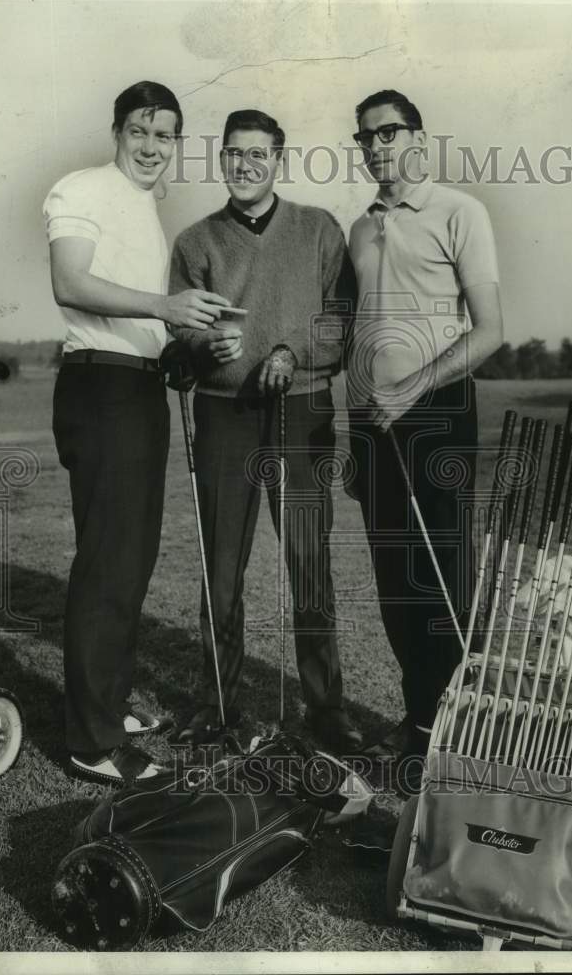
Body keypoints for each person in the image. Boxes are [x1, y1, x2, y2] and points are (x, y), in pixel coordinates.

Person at [43, 81, 231, 784]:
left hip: (135, 388)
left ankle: (108, 706)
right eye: (139, 132)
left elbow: (144, 321)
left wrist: (178, 347)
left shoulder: (142, 208)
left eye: (165, 135)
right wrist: (164, 305)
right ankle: (92, 745)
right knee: (108, 565)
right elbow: (70, 281)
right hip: (100, 389)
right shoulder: (84, 187)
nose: (152, 147)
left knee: (129, 562)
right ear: (116, 131)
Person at [168, 108, 362, 754]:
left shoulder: (318, 230)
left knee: (308, 561)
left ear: (278, 160)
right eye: (233, 154)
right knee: (220, 566)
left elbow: (340, 319)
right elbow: (181, 325)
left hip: (301, 409)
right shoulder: (196, 242)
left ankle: (325, 707)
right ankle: (217, 701)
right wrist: (200, 346)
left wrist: (292, 354)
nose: (245, 165)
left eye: (258, 154)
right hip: (224, 415)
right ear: (220, 159)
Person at [346, 89, 503, 767]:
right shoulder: (358, 227)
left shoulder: (459, 211)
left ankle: (459, 729)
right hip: (371, 421)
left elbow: (493, 330)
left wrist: (410, 388)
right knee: (394, 581)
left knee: (441, 577)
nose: (377, 147)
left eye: (388, 133)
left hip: (435, 412)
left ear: (417, 137)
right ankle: (417, 723)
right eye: (366, 138)